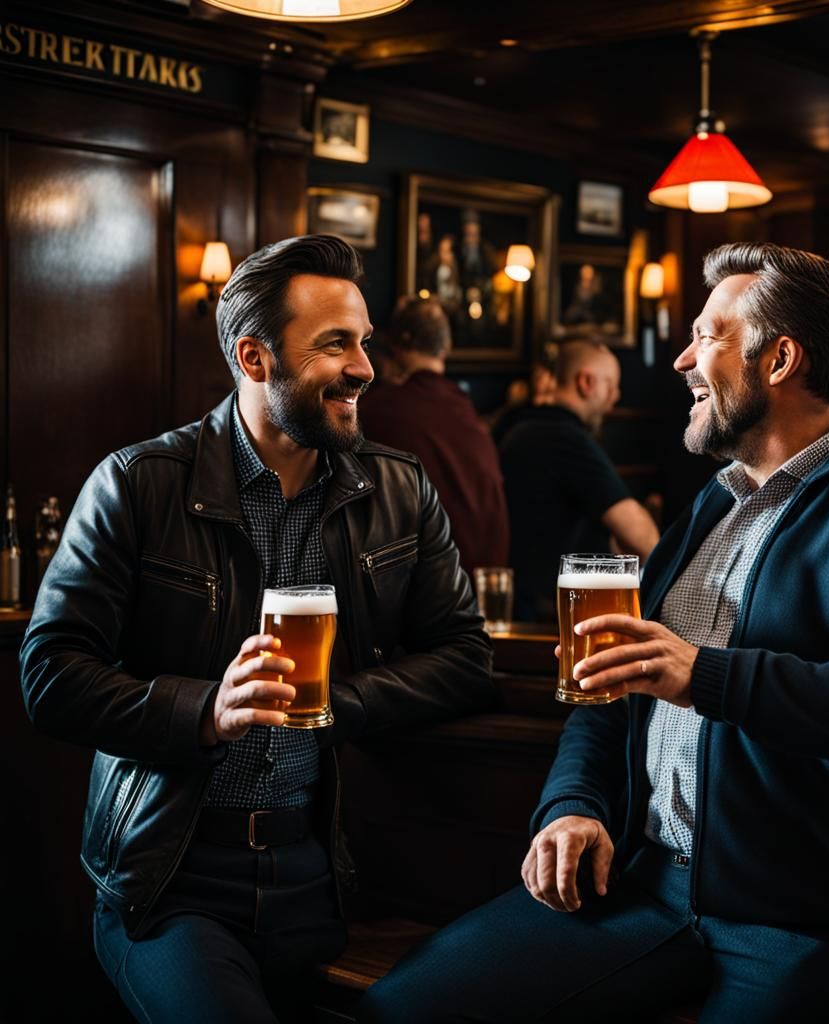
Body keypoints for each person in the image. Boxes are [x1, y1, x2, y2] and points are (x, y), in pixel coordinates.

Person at [358, 243, 829, 1023]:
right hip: (644, 887)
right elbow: (608, 695)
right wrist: (573, 805)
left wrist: (706, 675)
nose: (681, 360)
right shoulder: (713, 506)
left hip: (803, 917)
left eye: (707, 335)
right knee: (401, 1009)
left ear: (780, 358)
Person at [20, 235, 495, 1024]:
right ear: (255, 358)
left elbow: (467, 658)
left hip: (324, 871)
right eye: (334, 345)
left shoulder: (400, 488)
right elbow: (50, 676)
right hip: (170, 878)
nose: (365, 368)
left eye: (365, 342)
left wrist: (335, 702)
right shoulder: (138, 484)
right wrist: (204, 711)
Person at [499, 338, 659, 621]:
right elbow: (644, 538)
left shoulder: (516, 429)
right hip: (559, 613)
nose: (616, 396)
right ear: (586, 382)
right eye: (610, 385)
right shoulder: (565, 437)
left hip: (520, 602)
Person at [358, 296, 510, 576]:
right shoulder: (464, 410)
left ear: (396, 344)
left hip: (426, 579)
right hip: (484, 573)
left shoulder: (376, 410)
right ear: (447, 346)